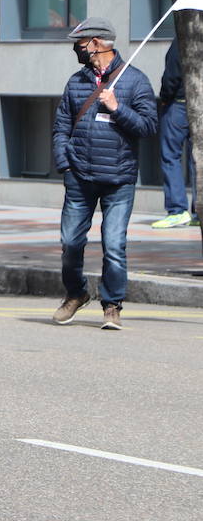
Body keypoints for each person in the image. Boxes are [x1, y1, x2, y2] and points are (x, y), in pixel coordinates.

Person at [52, 17, 158, 331]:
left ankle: (112, 305)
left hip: (119, 177)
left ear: (97, 44)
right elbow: (61, 127)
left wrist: (117, 107)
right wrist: (65, 165)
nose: (76, 49)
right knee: (70, 242)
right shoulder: (76, 82)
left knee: (114, 245)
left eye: (80, 44)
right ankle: (76, 293)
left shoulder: (135, 80)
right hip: (80, 177)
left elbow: (149, 127)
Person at [152, 38, 194, 228]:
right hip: (199, 105)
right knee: (199, 160)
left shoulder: (182, 40)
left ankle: (177, 210)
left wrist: (164, 98)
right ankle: (198, 212)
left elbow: (172, 75)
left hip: (179, 104)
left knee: (170, 157)